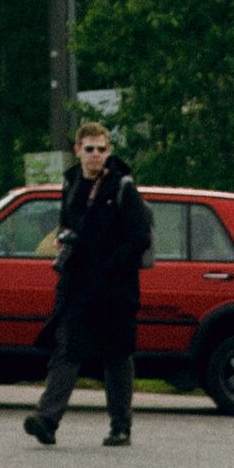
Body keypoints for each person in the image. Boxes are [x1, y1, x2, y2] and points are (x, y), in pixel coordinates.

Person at [24, 122, 153, 449]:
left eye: (101, 149)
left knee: (116, 357)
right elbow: (69, 223)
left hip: (115, 291)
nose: (95, 155)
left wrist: (108, 264)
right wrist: (64, 242)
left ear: (108, 151)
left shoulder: (122, 187)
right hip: (77, 287)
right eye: (89, 148)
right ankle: (47, 419)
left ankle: (120, 427)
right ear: (78, 150)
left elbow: (139, 238)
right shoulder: (70, 182)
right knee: (66, 350)